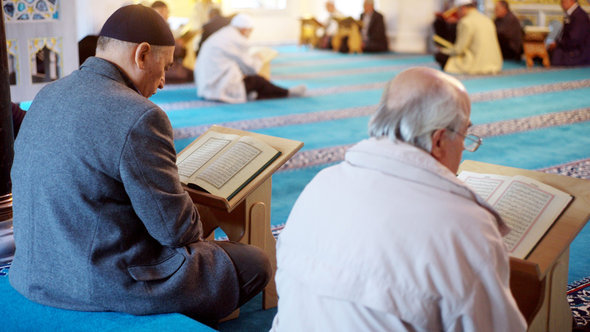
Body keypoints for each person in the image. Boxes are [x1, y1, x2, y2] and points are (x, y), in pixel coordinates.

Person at [10, 4, 271, 325]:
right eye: (165, 67)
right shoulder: (140, 114)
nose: (162, 82)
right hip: (98, 282)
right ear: (142, 54)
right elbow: (177, 232)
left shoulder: (48, 93)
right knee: (252, 262)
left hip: (34, 272)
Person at [270, 67, 527, 331]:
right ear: (438, 140)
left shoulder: (322, 182)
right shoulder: (463, 225)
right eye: (464, 134)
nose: (464, 146)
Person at [195, 13, 306, 103]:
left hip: (205, 84)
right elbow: (252, 69)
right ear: (244, 29)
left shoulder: (224, 33)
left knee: (251, 81)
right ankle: (287, 92)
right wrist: (259, 58)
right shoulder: (238, 40)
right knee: (258, 80)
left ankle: (254, 94)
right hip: (219, 85)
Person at [435, 0, 502, 74]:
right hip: (495, 63)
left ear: (463, 8)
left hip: (477, 63)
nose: (457, 13)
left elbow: (459, 49)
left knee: (439, 56)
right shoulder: (487, 20)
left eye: (457, 10)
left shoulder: (465, 22)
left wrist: (443, 50)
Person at [151, 1, 194, 83]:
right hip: (164, 68)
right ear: (152, 13)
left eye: (166, 12)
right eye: (161, 12)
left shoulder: (164, 27)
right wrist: (179, 45)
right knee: (192, 74)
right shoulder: (155, 29)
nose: (165, 15)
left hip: (168, 66)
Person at [548, 0, 590, 66]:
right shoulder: (573, 14)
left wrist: (558, 44)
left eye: (563, 1)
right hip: (571, 48)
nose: (561, 3)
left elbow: (574, 39)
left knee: (556, 55)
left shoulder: (580, 16)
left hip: (578, 53)